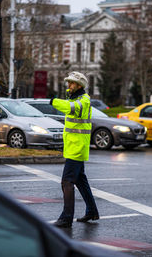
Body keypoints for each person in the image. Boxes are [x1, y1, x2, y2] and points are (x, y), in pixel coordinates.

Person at [50, 71, 99, 228]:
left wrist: (53, 101)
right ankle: (92, 211)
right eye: (68, 83)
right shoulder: (75, 98)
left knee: (67, 182)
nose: (68, 85)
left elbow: (71, 108)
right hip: (73, 146)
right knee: (80, 180)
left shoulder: (83, 101)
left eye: (71, 83)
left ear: (79, 85)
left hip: (77, 148)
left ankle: (66, 218)